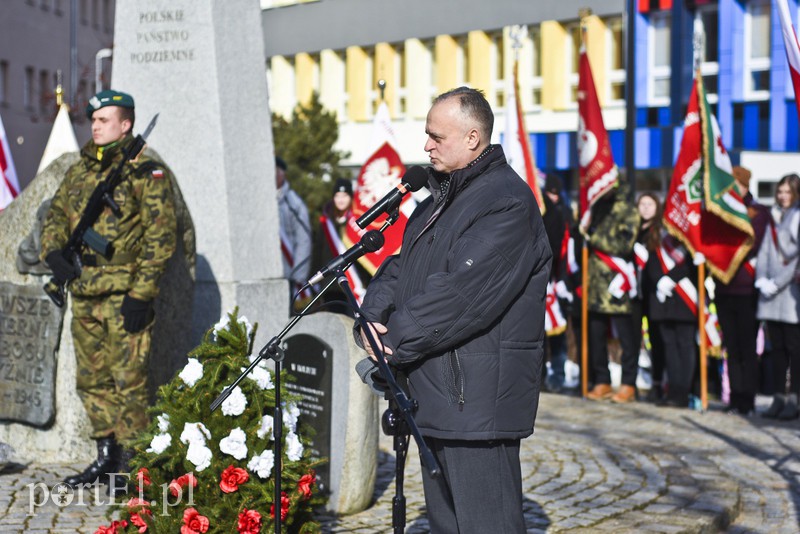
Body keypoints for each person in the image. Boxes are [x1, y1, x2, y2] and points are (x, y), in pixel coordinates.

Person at [355, 87, 551, 533]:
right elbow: (401, 267)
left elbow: (460, 295)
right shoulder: (438, 202)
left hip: (476, 403)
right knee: (446, 525)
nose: (426, 146)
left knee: (487, 525)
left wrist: (393, 341)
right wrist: (370, 319)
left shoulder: (507, 203)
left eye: (436, 136)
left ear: (473, 138)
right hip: (434, 393)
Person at [40, 90, 177, 491]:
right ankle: (106, 458)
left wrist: (141, 294)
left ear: (126, 124)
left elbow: (160, 237)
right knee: (92, 380)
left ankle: (136, 467)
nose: (96, 125)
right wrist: (54, 255)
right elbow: (55, 214)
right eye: (94, 120)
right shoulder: (80, 170)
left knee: (128, 381)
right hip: (85, 292)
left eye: (104, 119)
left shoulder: (145, 171)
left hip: (124, 295)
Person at [714, 166, 769, 416]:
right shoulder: (719, 210)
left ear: (745, 186)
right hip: (724, 288)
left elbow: (752, 243)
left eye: (735, 184)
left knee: (747, 348)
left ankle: (748, 399)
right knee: (731, 347)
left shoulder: (758, 212)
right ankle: (734, 397)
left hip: (747, 289)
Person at [583, 179, 641, 403]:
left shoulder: (627, 209)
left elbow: (624, 244)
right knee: (596, 336)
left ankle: (628, 383)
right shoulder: (595, 208)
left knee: (627, 338)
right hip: (596, 283)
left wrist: (594, 237)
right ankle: (602, 381)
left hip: (618, 283)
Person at [756, 174, 800, 419]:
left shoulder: (797, 217)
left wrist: (778, 282)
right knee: (777, 349)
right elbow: (765, 249)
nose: (783, 195)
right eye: (780, 191)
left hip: (791, 292)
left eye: (788, 191)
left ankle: (794, 398)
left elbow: (796, 258)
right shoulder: (773, 216)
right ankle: (778, 397)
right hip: (771, 294)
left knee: (795, 349)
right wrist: (761, 278)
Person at [643, 229, 698, 408]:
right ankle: (673, 390)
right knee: (670, 348)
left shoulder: (691, 240)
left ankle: (683, 392)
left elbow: (692, 266)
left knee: (685, 346)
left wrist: (671, 278)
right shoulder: (660, 243)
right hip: (664, 302)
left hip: (685, 301)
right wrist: (660, 280)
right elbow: (651, 264)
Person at [312, 178, 370, 315]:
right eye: (337, 196)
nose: (340, 200)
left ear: (351, 197)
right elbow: (317, 252)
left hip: (353, 283)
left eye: (344, 196)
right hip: (331, 284)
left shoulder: (357, 222)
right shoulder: (326, 222)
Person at [634, 193, 666, 402]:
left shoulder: (659, 231)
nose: (645, 208)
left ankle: (658, 382)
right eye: (642, 204)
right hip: (636, 292)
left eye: (650, 204)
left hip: (656, 293)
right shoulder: (635, 229)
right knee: (636, 339)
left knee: (658, 340)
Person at [542, 175, 570, 392]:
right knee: (539, 334)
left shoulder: (564, 214)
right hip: (543, 279)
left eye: (555, 193)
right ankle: (540, 377)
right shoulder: (543, 212)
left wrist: (563, 280)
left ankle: (559, 375)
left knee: (558, 334)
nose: (552, 197)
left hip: (559, 280)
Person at [275, 156, 313, 311]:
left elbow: (304, 239)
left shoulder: (293, 203)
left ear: (282, 173)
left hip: (289, 275)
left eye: (275, 171)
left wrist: (298, 277)